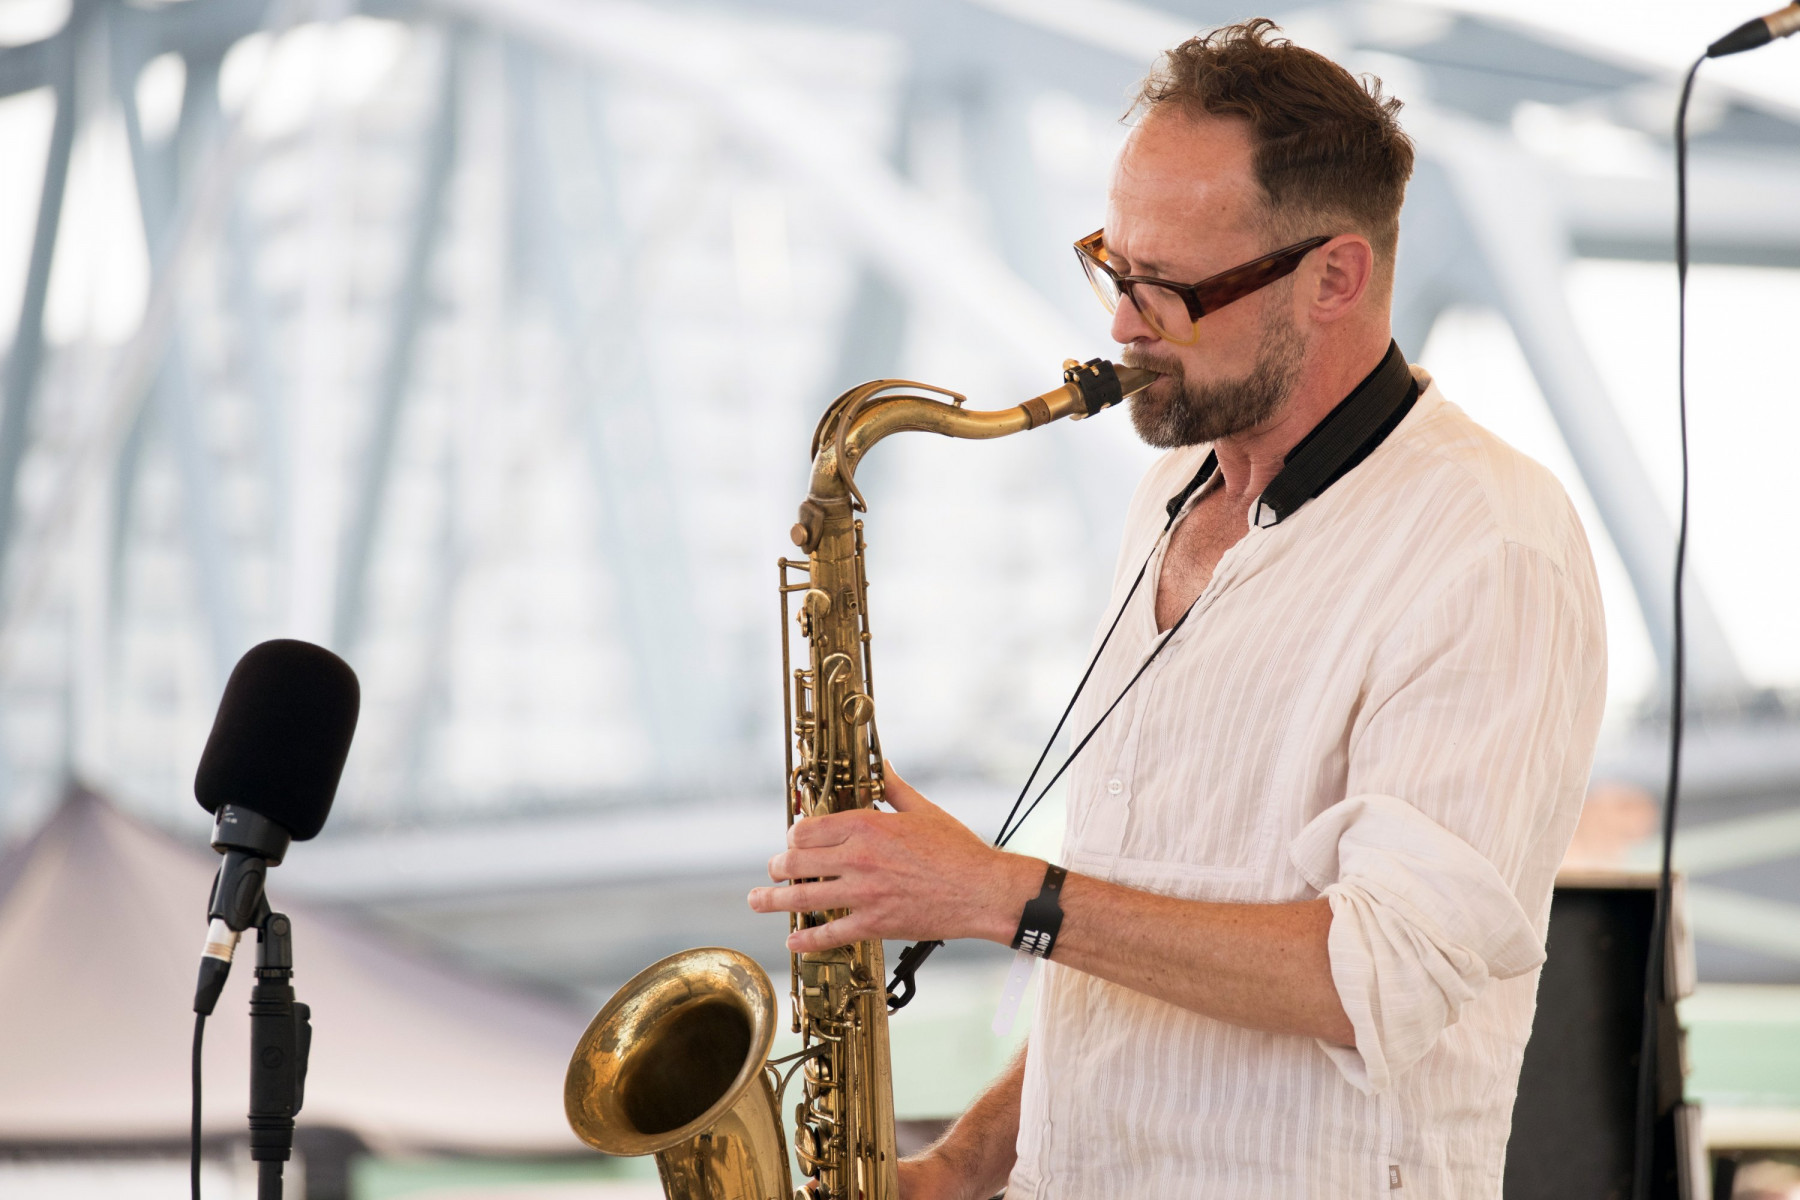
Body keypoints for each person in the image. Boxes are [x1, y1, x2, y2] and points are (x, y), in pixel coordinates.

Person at [748, 19, 1605, 1198]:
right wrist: (959, 1169)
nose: (1119, 325)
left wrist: (999, 893)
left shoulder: (1489, 547)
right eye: (1114, 266)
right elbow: (1134, 958)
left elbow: (1379, 976)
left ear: (1335, 278)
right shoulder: (1172, 492)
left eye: (1169, 289)